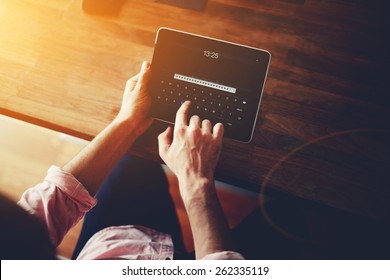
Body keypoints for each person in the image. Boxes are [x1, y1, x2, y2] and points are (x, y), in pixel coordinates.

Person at [1, 61, 244, 260]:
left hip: (109, 245)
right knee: (279, 215)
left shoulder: (14, 241)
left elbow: (48, 206)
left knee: (136, 152)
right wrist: (196, 182)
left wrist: (127, 122)